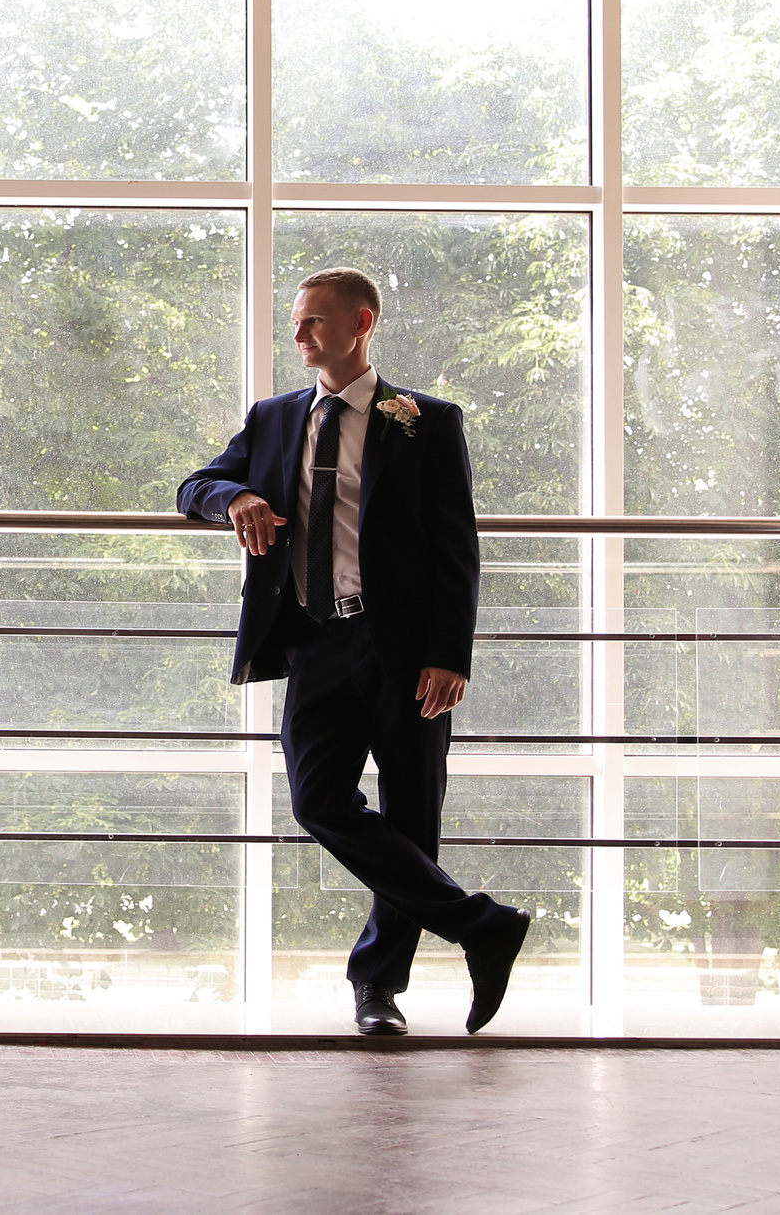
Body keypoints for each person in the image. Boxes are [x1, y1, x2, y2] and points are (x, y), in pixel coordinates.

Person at [176, 267, 529, 1036]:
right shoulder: (274, 418)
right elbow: (193, 484)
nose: (298, 334)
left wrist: (450, 654)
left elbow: (455, 549)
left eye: (312, 322)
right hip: (312, 639)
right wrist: (232, 497)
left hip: (404, 649)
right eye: (295, 322)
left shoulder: (425, 420)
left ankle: (378, 988)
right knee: (317, 800)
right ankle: (482, 924)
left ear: (360, 322)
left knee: (411, 813)